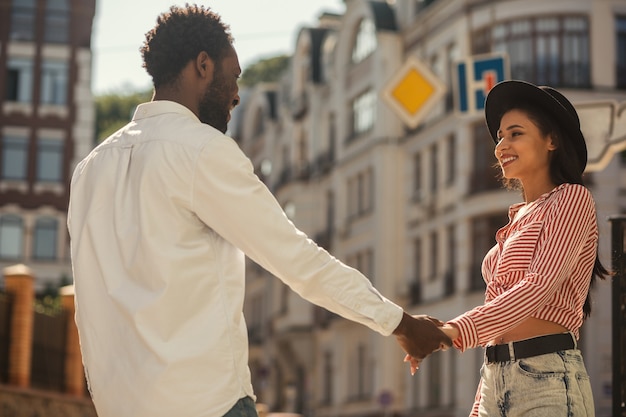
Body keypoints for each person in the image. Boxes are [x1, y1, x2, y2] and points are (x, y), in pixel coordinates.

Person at [66, 5, 451, 417]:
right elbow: (295, 258)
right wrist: (400, 323)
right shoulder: (201, 150)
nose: (235, 93)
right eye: (233, 77)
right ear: (203, 66)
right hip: (207, 405)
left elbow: (86, 305)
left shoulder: (90, 169)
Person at [408, 80, 610, 416]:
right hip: (494, 379)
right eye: (500, 136)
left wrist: (452, 331)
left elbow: (537, 286)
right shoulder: (513, 222)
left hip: (547, 379)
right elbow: (499, 329)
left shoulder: (572, 198)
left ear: (552, 140)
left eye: (515, 133)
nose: (501, 145)